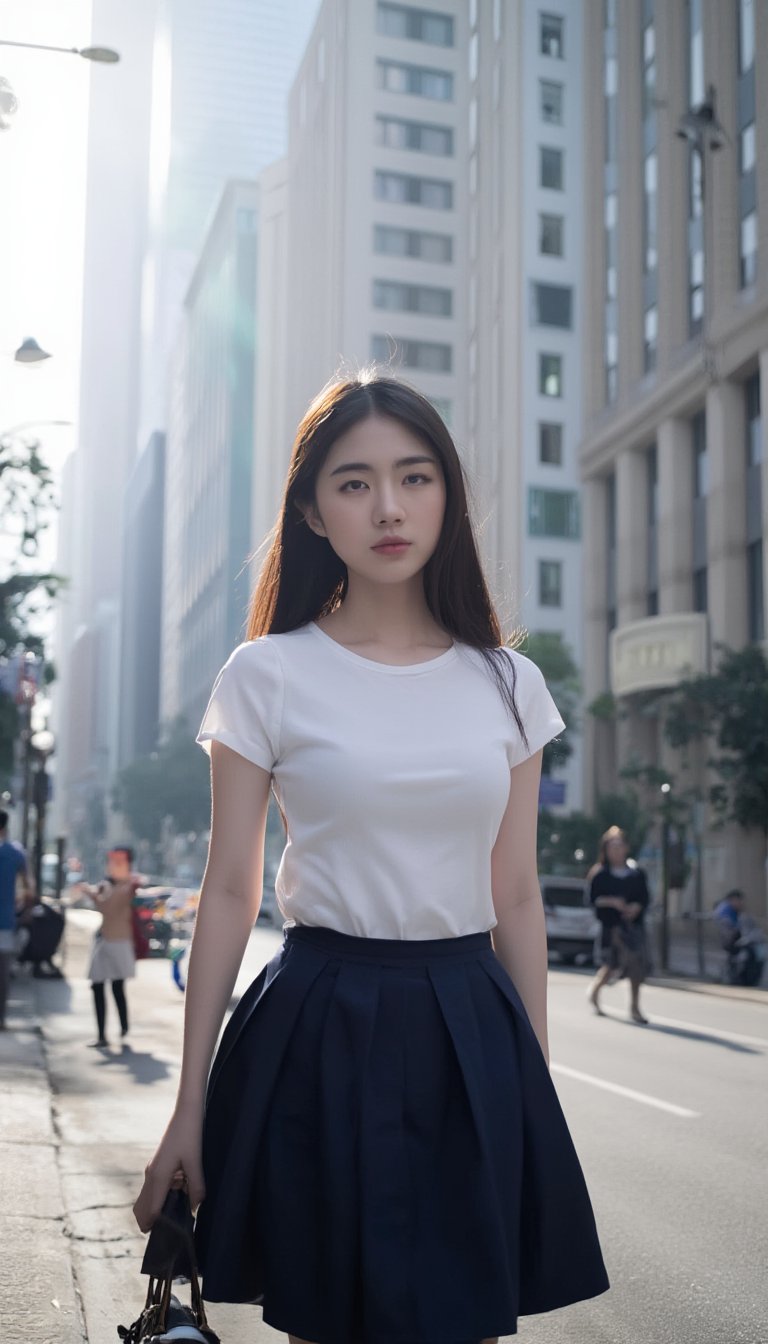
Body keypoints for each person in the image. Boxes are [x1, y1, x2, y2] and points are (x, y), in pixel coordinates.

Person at [133, 374, 609, 1344]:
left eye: (415, 477)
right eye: (353, 483)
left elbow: (515, 896)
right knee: (333, 1317)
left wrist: (530, 1082)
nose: (389, 508)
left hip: (468, 1023)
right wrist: (188, 1106)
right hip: (318, 1019)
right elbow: (228, 891)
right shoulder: (266, 674)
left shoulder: (511, 684)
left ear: (448, 495)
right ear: (311, 510)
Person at [79, 846, 142, 1047]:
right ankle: (102, 1035)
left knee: (117, 986)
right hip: (106, 940)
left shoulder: (129, 886)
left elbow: (109, 907)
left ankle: (122, 1026)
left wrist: (92, 894)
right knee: (98, 985)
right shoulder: (109, 884)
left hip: (119, 942)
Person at [588, 825, 651, 1024]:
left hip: (632, 927)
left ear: (626, 848)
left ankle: (634, 1006)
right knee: (610, 966)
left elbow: (645, 897)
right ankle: (595, 992)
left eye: (620, 845)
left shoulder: (636, 874)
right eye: (612, 846)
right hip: (610, 927)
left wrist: (636, 907)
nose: (616, 850)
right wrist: (611, 902)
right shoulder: (600, 874)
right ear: (606, 849)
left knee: (635, 966)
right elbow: (592, 899)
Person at [0, 808, 33, 1030]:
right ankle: (0, 1019)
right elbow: (29, 890)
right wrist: (22, 909)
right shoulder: (15, 854)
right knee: (3, 976)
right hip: (6, 923)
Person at [714, 889, 765, 986]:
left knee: (759, 951)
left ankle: (750, 978)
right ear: (732, 900)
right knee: (750, 953)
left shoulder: (735, 912)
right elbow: (730, 932)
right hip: (731, 944)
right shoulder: (725, 912)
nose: (741, 903)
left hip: (739, 942)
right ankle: (743, 979)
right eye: (739, 900)